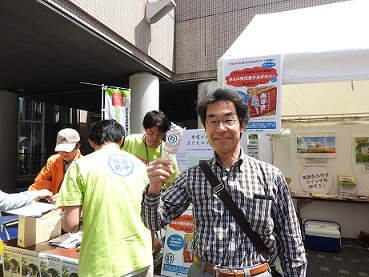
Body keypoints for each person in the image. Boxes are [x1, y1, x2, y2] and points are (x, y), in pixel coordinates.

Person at [141, 88, 307, 276]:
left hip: (257, 272)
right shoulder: (192, 177)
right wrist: (154, 190)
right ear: (206, 128)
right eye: (213, 121)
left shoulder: (270, 176)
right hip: (204, 272)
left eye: (228, 120)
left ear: (242, 125)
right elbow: (153, 221)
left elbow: (291, 239)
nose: (220, 128)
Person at [56, 119, 153, 277]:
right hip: (141, 256)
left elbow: (70, 224)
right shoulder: (141, 166)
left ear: (91, 142)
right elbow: (150, 210)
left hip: (103, 263)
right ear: (121, 140)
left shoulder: (80, 167)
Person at [123, 110, 180, 255]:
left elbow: (172, 186)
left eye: (160, 134)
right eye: (151, 132)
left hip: (149, 205)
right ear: (144, 129)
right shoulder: (130, 141)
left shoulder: (168, 153)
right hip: (127, 199)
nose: (155, 138)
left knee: (149, 247)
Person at [28, 128, 82, 204]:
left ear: (78, 146)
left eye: (67, 150)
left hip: (76, 210)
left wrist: (65, 197)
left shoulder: (85, 164)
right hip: (56, 208)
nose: (64, 153)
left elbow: (87, 191)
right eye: (61, 149)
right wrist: (32, 196)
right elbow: (42, 182)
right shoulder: (53, 161)